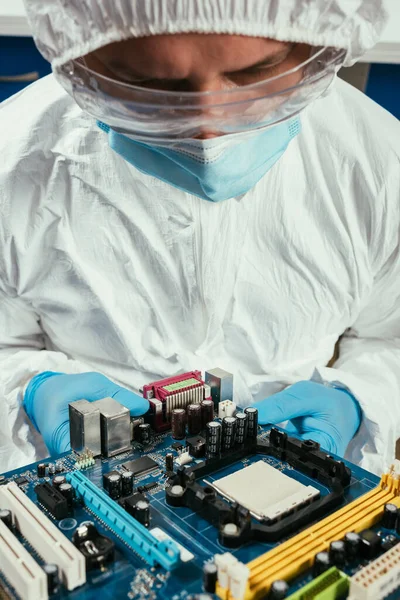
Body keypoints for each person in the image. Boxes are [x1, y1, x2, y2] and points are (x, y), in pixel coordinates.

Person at [0, 0, 399, 476]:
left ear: (319, 48)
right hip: (94, 473)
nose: (211, 128)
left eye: (257, 71)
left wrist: (357, 399)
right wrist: (31, 389)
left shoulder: (378, 163)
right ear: (81, 63)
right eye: (153, 84)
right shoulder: (15, 162)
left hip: (294, 477)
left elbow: (388, 336)